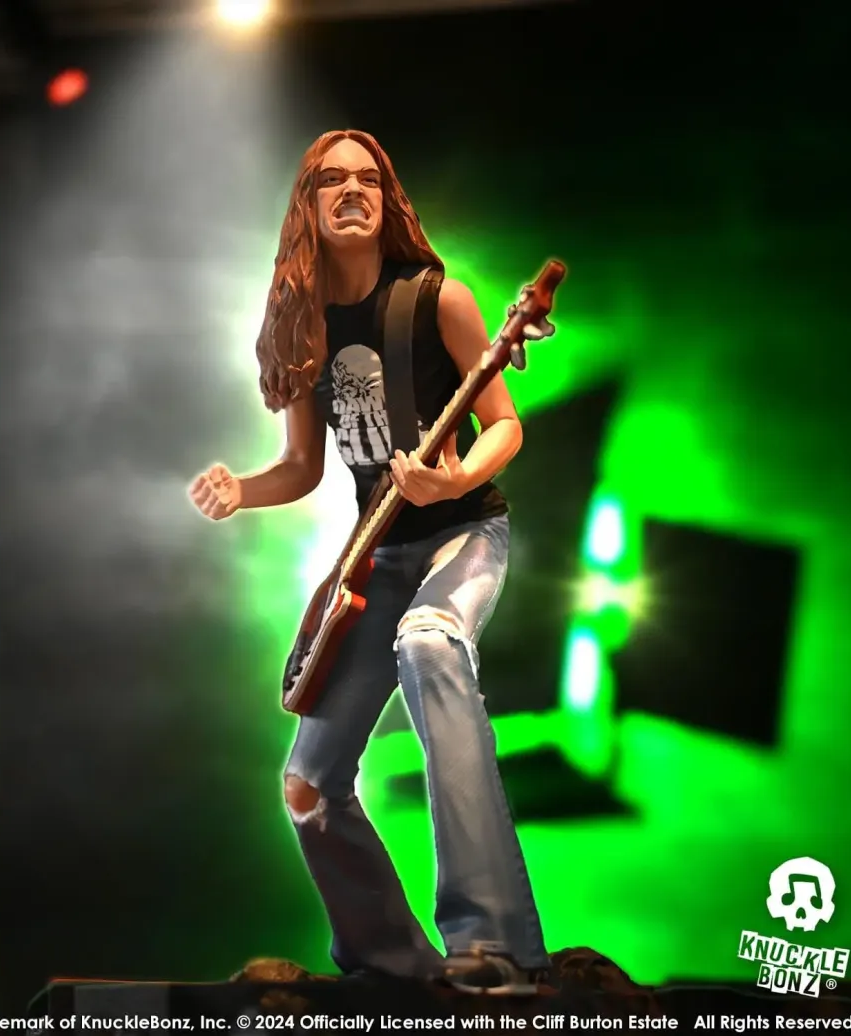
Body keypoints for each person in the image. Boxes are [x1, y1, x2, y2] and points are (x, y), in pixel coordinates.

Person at [188, 129, 550, 995]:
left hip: (464, 534)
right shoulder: (306, 326)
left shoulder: (438, 300)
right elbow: (303, 467)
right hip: (378, 553)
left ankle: (493, 941)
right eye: (332, 180)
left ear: (387, 199)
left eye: (367, 180)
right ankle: (391, 961)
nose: (352, 192)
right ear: (308, 204)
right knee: (307, 787)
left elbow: (504, 424)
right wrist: (240, 489)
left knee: (430, 642)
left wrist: (452, 477)